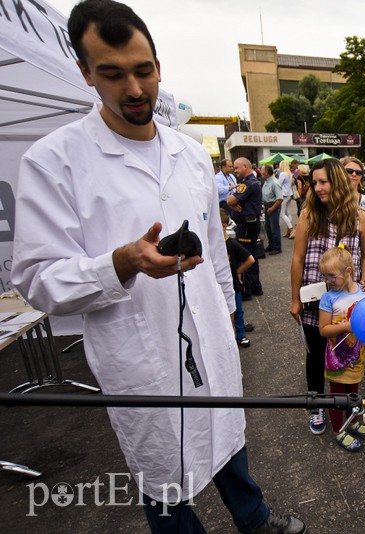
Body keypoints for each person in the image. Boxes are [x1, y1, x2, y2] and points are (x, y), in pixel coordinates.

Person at [10, 1, 306, 532]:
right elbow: (36, 279)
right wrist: (118, 264)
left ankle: (253, 518)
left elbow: (214, 251)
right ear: (85, 74)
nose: (135, 89)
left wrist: (225, 314)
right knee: (163, 468)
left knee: (224, 433)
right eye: (113, 74)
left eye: (143, 70)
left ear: (158, 65)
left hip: (208, 336)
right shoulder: (54, 161)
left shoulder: (190, 154)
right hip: (137, 351)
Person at [290, 158, 365, 436]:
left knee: (349, 355)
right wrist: (294, 300)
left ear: (337, 181)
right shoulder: (308, 215)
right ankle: (315, 405)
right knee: (315, 355)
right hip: (315, 302)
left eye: (323, 182)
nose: (318, 188)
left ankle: (349, 409)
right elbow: (298, 259)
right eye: (314, 183)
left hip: (347, 305)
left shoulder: (360, 217)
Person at [317, 245, 365, 452]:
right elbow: (324, 330)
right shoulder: (328, 298)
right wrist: (348, 326)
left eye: (331, 276)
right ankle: (338, 429)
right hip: (336, 357)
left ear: (348, 272)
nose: (328, 281)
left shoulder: (363, 293)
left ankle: (353, 421)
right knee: (337, 396)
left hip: (358, 354)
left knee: (354, 391)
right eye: (324, 276)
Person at [227, 157, 264, 299]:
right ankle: (255, 287)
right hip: (249, 223)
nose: (235, 171)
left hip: (247, 224)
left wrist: (233, 202)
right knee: (252, 255)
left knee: (245, 256)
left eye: (236, 168)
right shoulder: (248, 182)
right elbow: (232, 200)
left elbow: (230, 199)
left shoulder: (249, 183)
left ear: (245, 166)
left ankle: (247, 289)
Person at [220, 209, 255, 347]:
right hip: (218, 285)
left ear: (223, 226)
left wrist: (237, 271)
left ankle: (240, 335)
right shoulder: (210, 246)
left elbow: (250, 259)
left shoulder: (232, 244)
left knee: (237, 311)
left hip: (233, 285)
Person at [261, 164, 283, 255]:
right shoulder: (266, 181)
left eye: (262, 170)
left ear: (266, 172)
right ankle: (271, 245)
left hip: (273, 205)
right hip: (267, 205)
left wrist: (272, 208)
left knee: (274, 228)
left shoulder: (274, 182)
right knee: (268, 227)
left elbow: (280, 199)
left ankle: (277, 247)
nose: (260, 171)